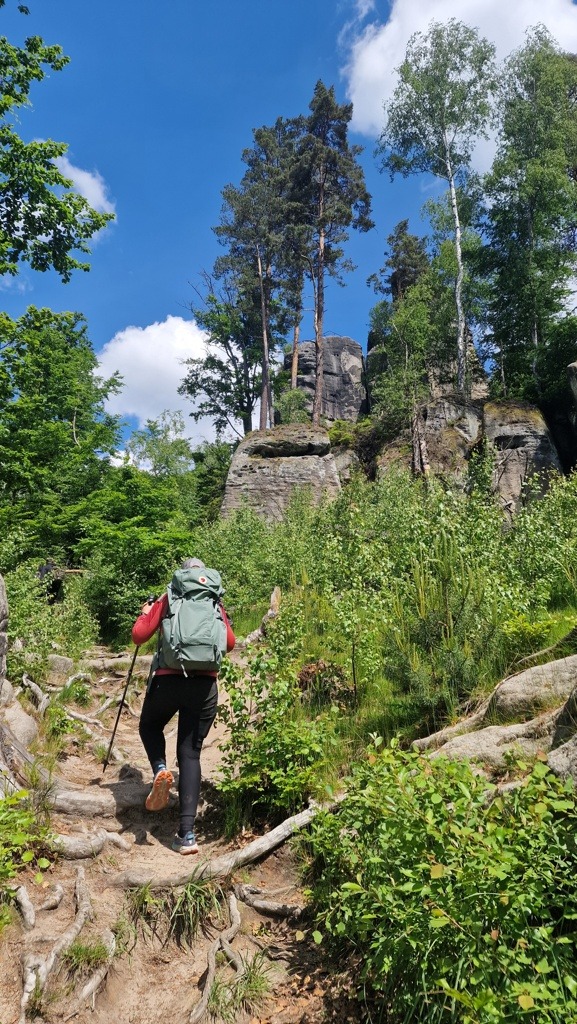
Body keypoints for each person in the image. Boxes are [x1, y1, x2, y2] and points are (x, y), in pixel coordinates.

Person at [132, 557, 235, 855]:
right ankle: (186, 836)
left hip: (168, 680)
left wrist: (146, 613)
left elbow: (139, 636)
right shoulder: (213, 601)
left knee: (150, 725)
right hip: (204, 686)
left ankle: (160, 769)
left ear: (181, 576)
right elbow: (229, 642)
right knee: (190, 754)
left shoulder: (170, 597)